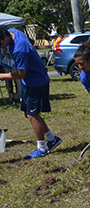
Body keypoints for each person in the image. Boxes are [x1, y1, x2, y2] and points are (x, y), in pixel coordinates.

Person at [0, 27, 62, 159]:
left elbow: (21, 74)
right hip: (29, 82)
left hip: (36, 82)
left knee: (33, 115)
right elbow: (31, 42)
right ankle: (52, 139)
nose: (1, 47)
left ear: (4, 35)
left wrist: (2, 75)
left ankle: (42, 148)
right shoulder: (14, 32)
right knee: (28, 114)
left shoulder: (19, 50)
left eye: (0, 44)